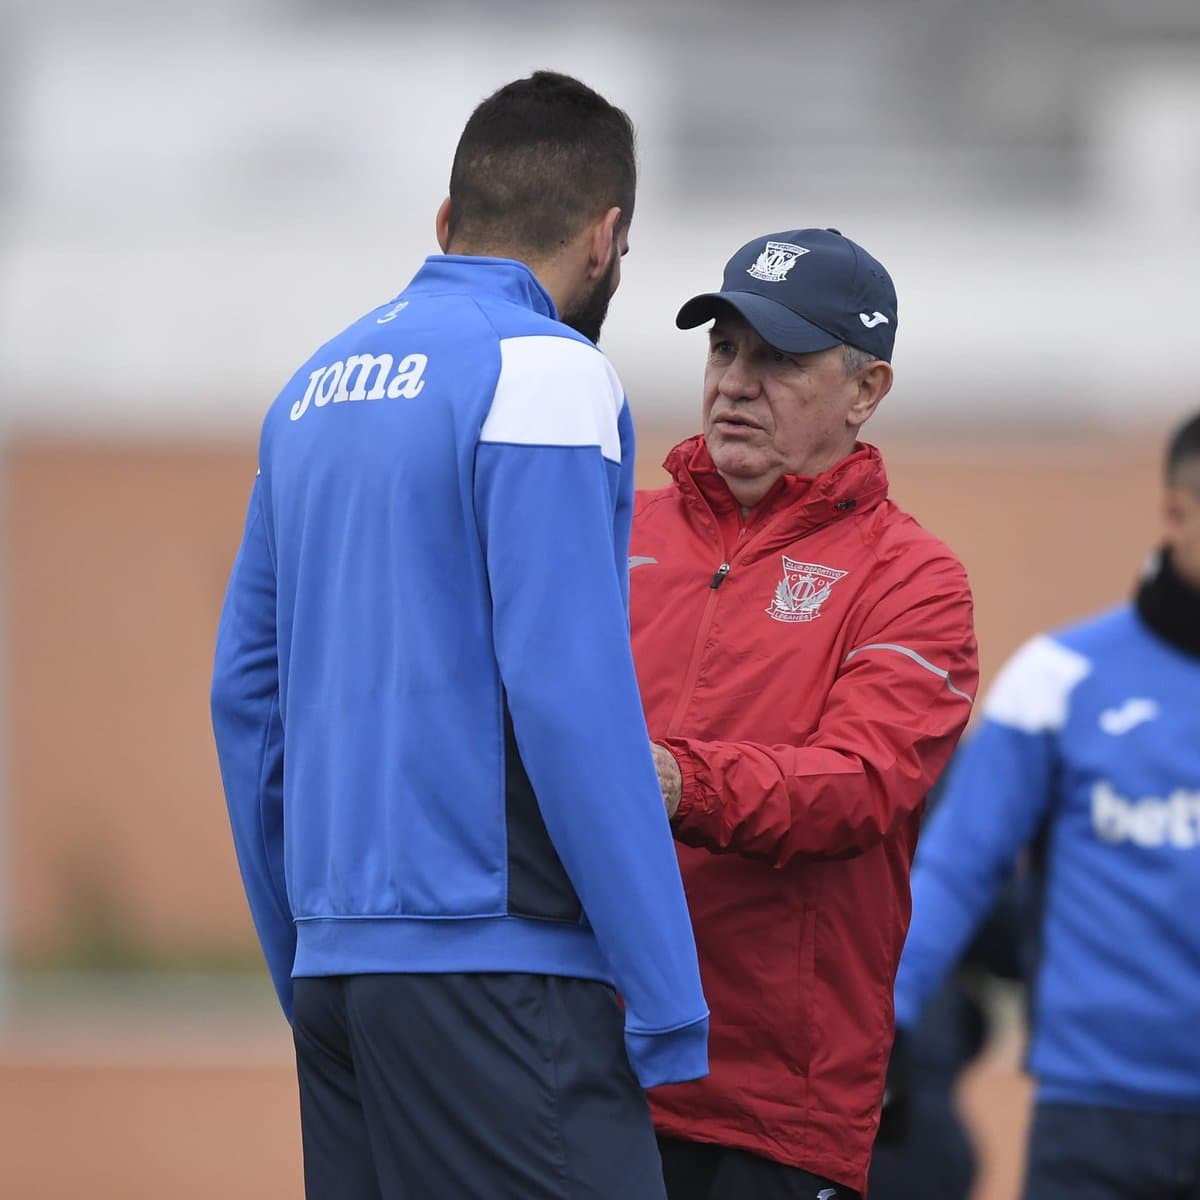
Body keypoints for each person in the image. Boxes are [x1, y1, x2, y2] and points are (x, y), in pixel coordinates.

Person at [210, 71, 709, 1200]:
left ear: (446, 224)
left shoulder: (308, 392)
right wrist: (669, 996)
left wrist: (307, 960)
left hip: (344, 973)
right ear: (609, 234)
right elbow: (567, 692)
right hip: (501, 973)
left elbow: (244, 699)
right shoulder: (548, 375)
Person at [628, 228, 979, 1199]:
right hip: (588, 1074)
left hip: (774, 1110)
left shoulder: (915, 581)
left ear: (867, 391)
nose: (737, 382)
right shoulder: (611, 527)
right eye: (724, 348)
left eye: (779, 357)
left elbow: (860, 784)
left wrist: (676, 782)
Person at [893, 408, 1200, 1200]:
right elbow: (957, 870)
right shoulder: (1057, 681)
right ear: (1175, 511)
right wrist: (882, 1019)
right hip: (1097, 1116)